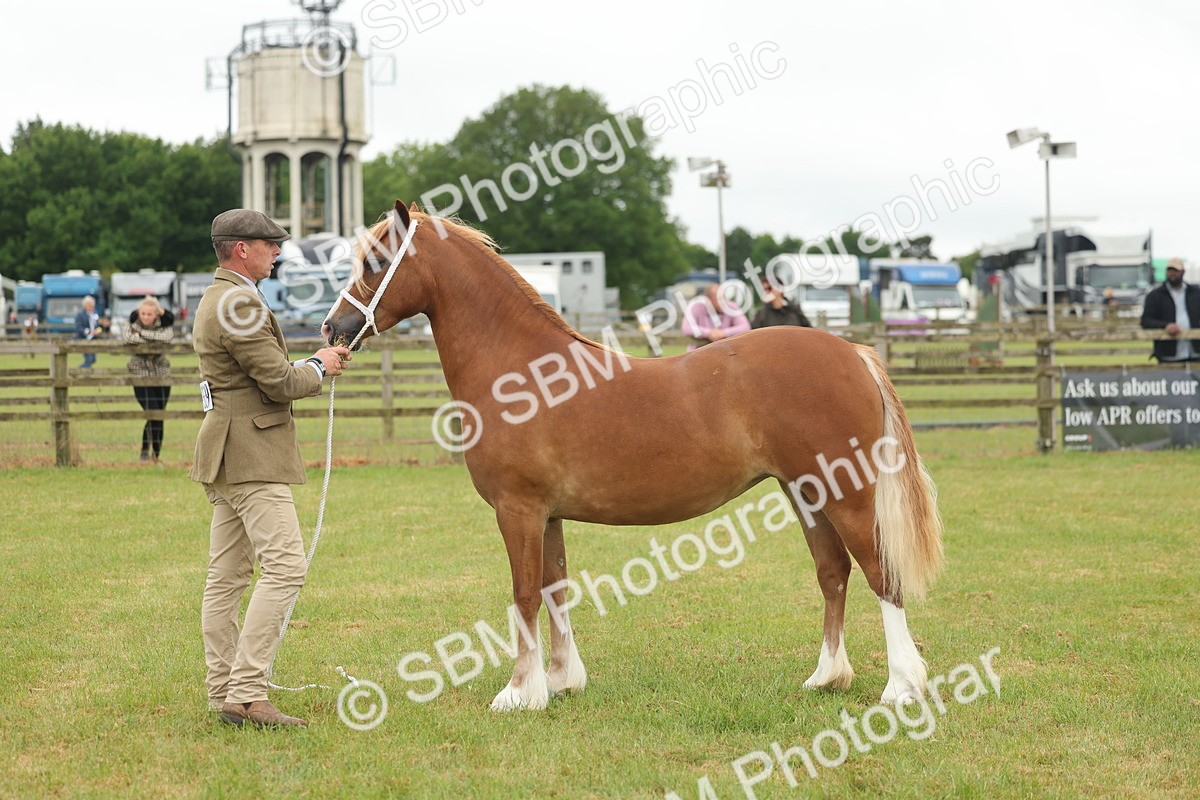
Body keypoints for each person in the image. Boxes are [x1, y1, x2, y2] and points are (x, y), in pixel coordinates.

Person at [190, 208, 351, 729]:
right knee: (285, 567)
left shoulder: (218, 295)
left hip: (228, 451)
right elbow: (280, 383)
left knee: (228, 577)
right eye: (270, 244)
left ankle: (225, 692)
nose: (278, 251)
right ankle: (247, 694)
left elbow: (260, 372)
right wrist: (319, 367)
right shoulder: (238, 302)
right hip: (250, 456)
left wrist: (306, 365)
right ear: (242, 248)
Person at [124, 296, 174, 464]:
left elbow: (166, 338)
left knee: (159, 414)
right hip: (140, 375)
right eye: (143, 313)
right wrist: (150, 337)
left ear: (156, 315)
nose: (145, 317)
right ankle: (147, 452)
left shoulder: (164, 327)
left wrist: (143, 335)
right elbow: (128, 338)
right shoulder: (131, 326)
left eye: (149, 314)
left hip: (161, 375)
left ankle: (155, 454)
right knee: (152, 412)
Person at [1141, 257, 1200, 362]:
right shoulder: (1155, 295)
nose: (1172, 273)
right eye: (1169, 270)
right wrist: (1165, 325)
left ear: (1183, 272)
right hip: (1168, 353)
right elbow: (1146, 320)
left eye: (1175, 270)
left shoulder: (1196, 293)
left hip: (1195, 352)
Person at [681, 283, 750, 351]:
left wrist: (723, 333)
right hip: (698, 351)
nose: (723, 302)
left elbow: (745, 327)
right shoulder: (696, 307)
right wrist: (709, 333)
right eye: (719, 299)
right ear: (708, 299)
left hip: (726, 351)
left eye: (724, 297)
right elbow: (686, 328)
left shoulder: (732, 307)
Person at [74, 296, 102, 368]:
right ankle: (86, 376)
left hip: (93, 339)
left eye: (93, 305)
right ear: (86, 305)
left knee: (93, 360)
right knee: (89, 359)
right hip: (84, 339)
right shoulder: (80, 315)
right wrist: (89, 331)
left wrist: (98, 330)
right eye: (90, 305)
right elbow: (79, 328)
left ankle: (78, 370)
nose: (92, 307)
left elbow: (97, 325)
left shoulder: (95, 313)